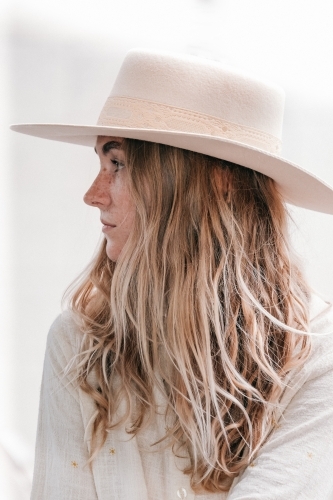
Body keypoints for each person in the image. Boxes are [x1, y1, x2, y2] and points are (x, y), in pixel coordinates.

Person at [11, 49, 333, 499]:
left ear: (214, 184)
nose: (93, 195)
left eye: (117, 164)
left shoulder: (317, 355)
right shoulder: (78, 342)